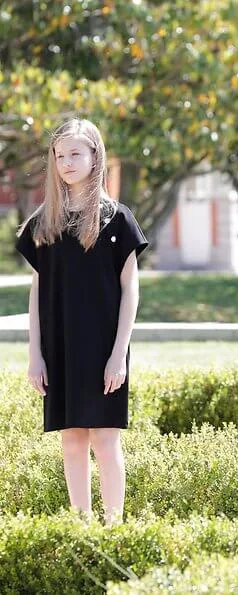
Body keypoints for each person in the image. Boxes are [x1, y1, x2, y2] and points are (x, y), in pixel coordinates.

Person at [16, 118, 148, 525]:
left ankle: (114, 527)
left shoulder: (117, 220)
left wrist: (119, 355)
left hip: (104, 348)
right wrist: (35, 354)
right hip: (59, 346)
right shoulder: (44, 224)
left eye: (76, 153)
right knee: (71, 441)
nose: (67, 162)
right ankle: (82, 527)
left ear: (95, 156)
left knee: (105, 442)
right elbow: (37, 292)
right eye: (60, 155)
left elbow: (130, 291)